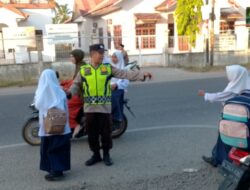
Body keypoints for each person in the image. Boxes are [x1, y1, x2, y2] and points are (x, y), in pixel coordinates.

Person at [68, 43, 152, 166]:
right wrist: (70, 93)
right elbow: (76, 85)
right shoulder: (84, 70)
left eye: (103, 53)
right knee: (92, 134)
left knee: (106, 134)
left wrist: (141, 75)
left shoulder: (107, 68)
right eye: (100, 53)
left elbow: (125, 74)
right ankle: (96, 155)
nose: (103, 56)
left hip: (104, 108)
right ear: (92, 55)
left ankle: (106, 155)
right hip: (90, 109)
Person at [198, 64, 250, 167]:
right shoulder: (244, 83)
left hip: (233, 118)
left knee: (226, 138)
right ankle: (219, 158)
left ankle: (219, 159)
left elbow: (219, 96)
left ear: (236, 75)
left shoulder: (235, 87)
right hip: (243, 120)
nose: (227, 76)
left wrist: (205, 95)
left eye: (230, 74)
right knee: (228, 139)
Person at [35, 69, 71, 181]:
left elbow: (38, 104)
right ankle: (58, 169)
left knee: (50, 147)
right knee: (59, 147)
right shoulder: (59, 90)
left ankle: (54, 171)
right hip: (61, 124)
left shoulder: (41, 90)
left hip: (48, 125)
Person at [63, 49, 86, 138]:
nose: (70, 58)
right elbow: (74, 81)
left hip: (83, 95)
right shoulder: (79, 65)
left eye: (72, 56)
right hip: (78, 92)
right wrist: (64, 83)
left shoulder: (82, 67)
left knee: (67, 105)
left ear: (77, 57)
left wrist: (67, 87)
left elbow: (77, 83)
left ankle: (77, 124)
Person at [110, 51, 129, 128]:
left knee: (113, 100)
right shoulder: (109, 67)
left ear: (119, 58)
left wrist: (117, 84)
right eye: (112, 57)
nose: (113, 59)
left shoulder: (123, 69)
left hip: (118, 88)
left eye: (115, 57)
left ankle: (116, 119)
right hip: (108, 87)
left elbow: (126, 81)